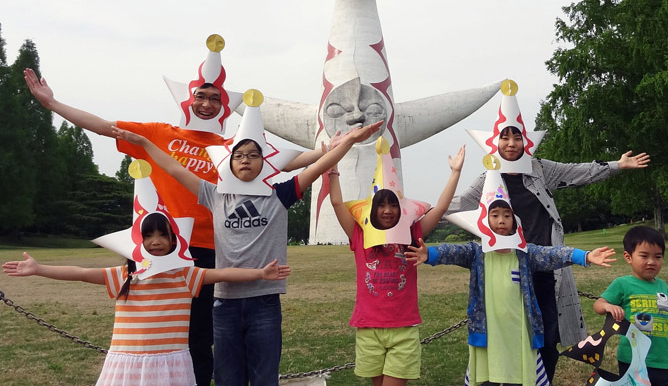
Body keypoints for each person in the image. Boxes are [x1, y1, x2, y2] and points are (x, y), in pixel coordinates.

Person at [24, 67, 330, 386]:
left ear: (225, 106)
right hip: (161, 248)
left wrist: (329, 149)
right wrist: (53, 104)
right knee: (156, 330)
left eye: (216, 98)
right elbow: (105, 127)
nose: (207, 104)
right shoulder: (158, 134)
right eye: (201, 96)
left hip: (211, 254)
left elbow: (279, 162)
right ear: (188, 100)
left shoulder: (227, 149)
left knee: (201, 337)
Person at [114, 120, 383, 386]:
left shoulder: (281, 195)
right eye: (239, 155)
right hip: (224, 303)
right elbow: (174, 168)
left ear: (264, 163)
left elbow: (319, 166)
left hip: (264, 302)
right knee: (228, 379)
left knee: (265, 378)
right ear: (229, 163)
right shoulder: (215, 195)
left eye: (254, 155)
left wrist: (349, 141)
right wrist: (143, 142)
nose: (246, 160)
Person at [448, 124, 650, 382]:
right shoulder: (486, 179)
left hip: (544, 269)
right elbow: (455, 207)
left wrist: (617, 165)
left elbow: (578, 171)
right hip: (506, 268)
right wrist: (409, 217)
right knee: (502, 337)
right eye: (504, 138)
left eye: (517, 137)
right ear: (494, 143)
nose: (511, 144)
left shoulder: (539, 169)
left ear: (526, 142)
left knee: (546, 339)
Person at [2, 213, 291, 386]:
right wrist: (38, 269)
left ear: (173, 240)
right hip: (129, 362)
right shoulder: (124, 275)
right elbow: (80, 273)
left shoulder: (185, 274)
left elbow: (224, 273)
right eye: (148, 235)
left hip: (171, 363)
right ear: (136, 241)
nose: (155, 241)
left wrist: (260, 273)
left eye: (162, 235)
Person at [407, 197, 617, 386]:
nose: (501, 220)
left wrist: (585, 256)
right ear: (484, 220)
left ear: (514, 222)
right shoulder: (476, 253)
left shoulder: (525, 253)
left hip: (521, 332)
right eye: (495, 215)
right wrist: (430, 254)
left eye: (507, 215)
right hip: (489, 331)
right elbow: (452, 251)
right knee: (488, 374)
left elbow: (552, 254)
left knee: (524, 375)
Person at [328, 141, 466, 386]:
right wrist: (333, 166)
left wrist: (455, 172)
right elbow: (338, 203)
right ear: (372, 208)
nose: (388, 210)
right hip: (368, 328)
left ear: (402, 208)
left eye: (393, 204)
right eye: (381, 204)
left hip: (403, 328)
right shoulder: (359, 235)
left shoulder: (414, 233)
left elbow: (441, 207)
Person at [594, 226, 668, 386]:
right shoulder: (622, 284)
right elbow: (598, 305)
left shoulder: (663, 286)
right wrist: (608, 307)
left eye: (658, 257)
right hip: (633, 361)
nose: (652, 262)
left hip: (664, 360)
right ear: (628, 257)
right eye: (644, 256)